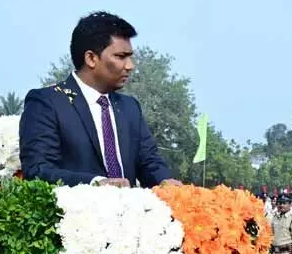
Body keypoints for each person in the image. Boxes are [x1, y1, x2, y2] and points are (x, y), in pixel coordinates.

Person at [18, 11, 178, 189]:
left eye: (130, 56)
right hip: (75, 207)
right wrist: (95, 184)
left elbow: (150, 162)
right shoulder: (47, 103)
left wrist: (165, 182)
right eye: (120, 56)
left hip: (131, 206)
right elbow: (38, 171)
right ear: (91, 58)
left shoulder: (130, 107)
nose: (130, 65)